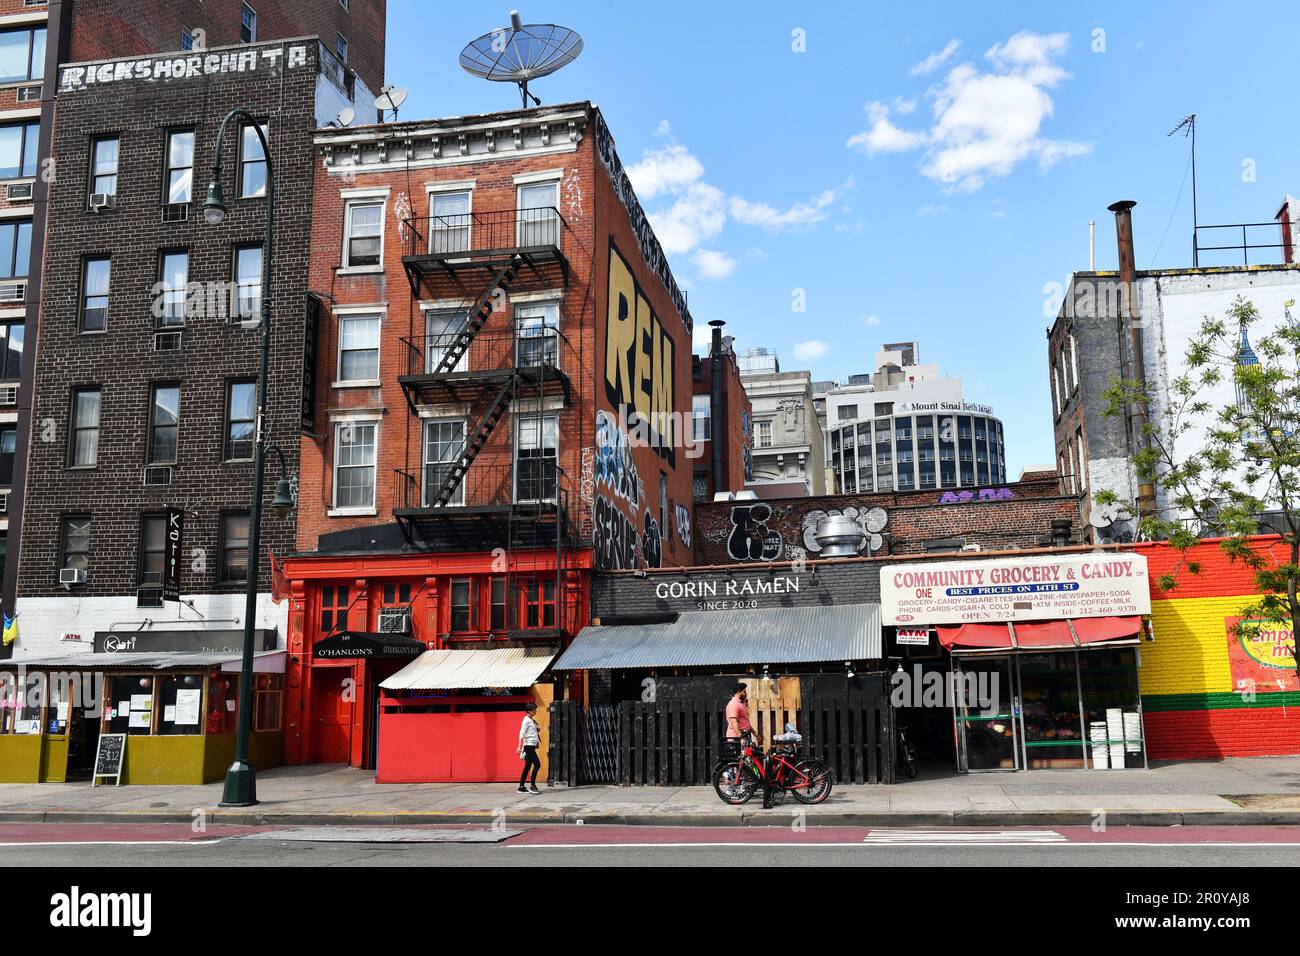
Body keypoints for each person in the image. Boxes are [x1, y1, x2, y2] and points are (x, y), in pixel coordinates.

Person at [517, 702, 542, 794]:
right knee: (537, 765)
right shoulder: (526, 720)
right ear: (530, 711)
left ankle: (521, 787)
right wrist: (519, 747)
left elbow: (529, 732)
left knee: (527, 767)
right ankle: (532, 786)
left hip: (531, 746)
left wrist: (536, 730)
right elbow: (521, 733)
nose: (536, 711)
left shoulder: (530, 720)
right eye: (535, 709)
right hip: (528, 747)